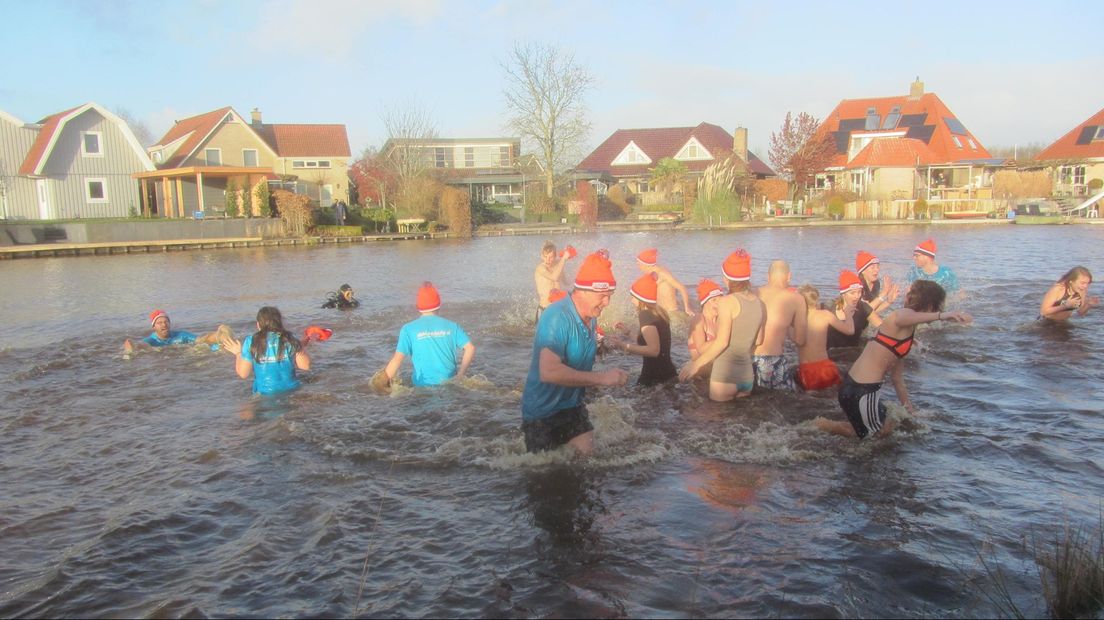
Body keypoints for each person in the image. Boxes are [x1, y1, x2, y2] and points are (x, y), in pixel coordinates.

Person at [815, 281, 972, 440]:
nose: (939, 310)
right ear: (931, 305)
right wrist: (945, 315)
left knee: (889, 425)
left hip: (859, 389)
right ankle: (821, 426)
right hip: (861, 390)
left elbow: (897, 379)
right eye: (938, 307)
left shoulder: (906, 334)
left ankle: (824, 426)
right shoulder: (901, 314)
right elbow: (904, 318)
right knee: (876, 436)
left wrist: (910, 411)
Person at [521, 251, 630, 456]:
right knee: (545, 474)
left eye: (610, 296)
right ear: (583, 291)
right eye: (603, 296)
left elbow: (579, 349)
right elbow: (549, 372)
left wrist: (608, 345)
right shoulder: (557, 317)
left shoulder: (591, 315)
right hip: (542, 412)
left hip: (572, 405)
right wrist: (603, 379)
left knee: (586, 462)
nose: (607, 303)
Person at [678, 250, 766, 401]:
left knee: (718, 420)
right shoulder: (760, 303)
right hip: (746, 376)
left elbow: (722, 342)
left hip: (725, 376)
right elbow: (758, 340)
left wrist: (696, 365)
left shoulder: (727, 302)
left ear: (727, 278)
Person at [382, 282, 475, 387]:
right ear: (439, 304)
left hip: (422, 386)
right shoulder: (453, 326)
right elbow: (470, 348)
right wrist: (460, 375)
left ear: (418, 306)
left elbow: (397, 360)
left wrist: (382, 384)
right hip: (450, 384)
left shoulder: (408, 329)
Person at [607, 272, 677, 386]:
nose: (631, 299)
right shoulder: (660, 312)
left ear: (640, 298)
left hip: (655, 378)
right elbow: (650, 342)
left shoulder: (645, 315)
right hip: (667, 373)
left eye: (633, 296)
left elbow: (653, 350)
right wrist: (628, 333)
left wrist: (623, 346)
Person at [221, 306, 311, 395]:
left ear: (258, 324)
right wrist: (300, 346)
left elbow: (243, 373)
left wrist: (238, 353)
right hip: (291, 391)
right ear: (280, 322)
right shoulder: (290, 338)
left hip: (265, 394)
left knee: (245, 408)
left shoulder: (251, 341)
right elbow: (305, 366)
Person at [795, 276, 858, 392]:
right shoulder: (825, 315)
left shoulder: (796, 320)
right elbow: (850, 331)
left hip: (807, 371)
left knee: (811, 400)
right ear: (816, 300)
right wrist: (848, 313)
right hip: (826, 368)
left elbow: (795, 340)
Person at [752, 260, 807, 391]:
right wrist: (787, 326)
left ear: (767, 276)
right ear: (789, 276)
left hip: (745, 360)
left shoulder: (752, 293)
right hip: (772, 361)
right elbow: (800, 340)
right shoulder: (797, 299)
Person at [123, 309, 228, 355]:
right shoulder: (151, 340)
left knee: (201, 346)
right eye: (159, 323)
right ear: (153, 327)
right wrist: (132, 345)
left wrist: (216, 337)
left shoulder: (181, 335)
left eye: (166, 322)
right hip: (162, 360)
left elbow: (200, 339)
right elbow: (142, 345)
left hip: (184, 354)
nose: (164, 324)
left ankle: (221, 337)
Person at [636, 248, 695, 316]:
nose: (638, 266)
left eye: (639, 263)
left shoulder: (662, 273)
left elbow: (682, 288)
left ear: (646, 264)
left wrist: (687, 308)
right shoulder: (650, 274)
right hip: (660, 312)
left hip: (671, 314)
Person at [687, 278, 724, 377]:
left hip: (715, 374)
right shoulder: (699, 320)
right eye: (714, 300)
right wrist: (725, 338)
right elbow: (701, 349)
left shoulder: (720, 320)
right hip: (699, 376)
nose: (718, 303)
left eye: (721, 299)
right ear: (704, 302)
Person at [534, 241, 576, 320]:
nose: (548, 260)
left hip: (557, 308)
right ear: (541, 256)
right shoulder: (540, 268)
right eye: (545, 256)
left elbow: (566, 282)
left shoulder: (558, 265)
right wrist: (564, 258)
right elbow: (554, 277)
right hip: (544, 309)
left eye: (550, 257)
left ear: (555, 256)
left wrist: (577, 280)